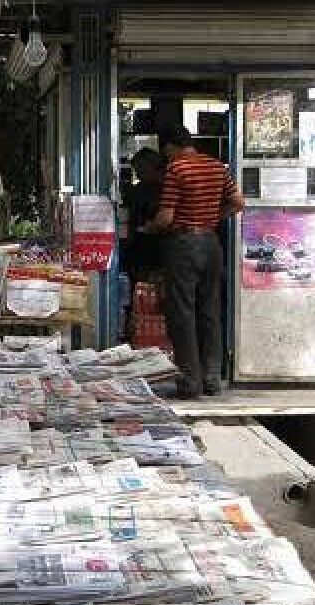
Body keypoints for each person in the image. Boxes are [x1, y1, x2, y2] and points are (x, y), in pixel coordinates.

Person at [145, 123, 245, 399]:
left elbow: (165, 217)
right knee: (209, 310)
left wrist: (151, 227)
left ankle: (190, 381)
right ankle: (212, 378)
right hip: (211, 244)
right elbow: (238, 202)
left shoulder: (177, 169)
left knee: (182, 313)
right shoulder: (217, 167)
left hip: (184, 244)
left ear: (170, 147)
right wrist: (212, 218)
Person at [124, 148, 166, 282]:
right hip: (141, 247)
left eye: (140, 170)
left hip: (159, 248)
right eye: (136, 171)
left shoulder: (167, 188)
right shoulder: (138, 189)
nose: (138, 174)